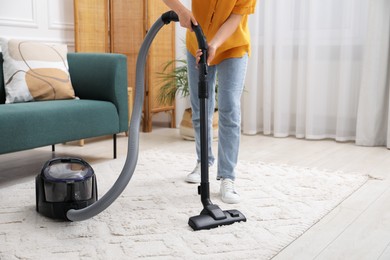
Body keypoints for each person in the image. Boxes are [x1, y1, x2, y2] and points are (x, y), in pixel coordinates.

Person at [162, 0, 257, 204]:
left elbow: (236, 17)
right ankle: (203, 162)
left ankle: (227, 177)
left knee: (229, 108)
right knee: (199, 107)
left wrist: (213, 45)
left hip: (233, 46)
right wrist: (181, 10)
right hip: (196, 43)